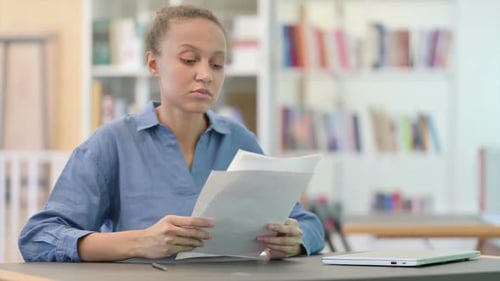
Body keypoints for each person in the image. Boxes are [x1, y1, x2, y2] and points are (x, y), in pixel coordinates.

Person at [18, 4, 325, 262]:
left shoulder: (239, 140)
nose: (205, 74)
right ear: (153, 63)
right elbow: (38, 237)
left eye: (217, 64)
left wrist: (293, 240)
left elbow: (308, 224)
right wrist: (140, 243)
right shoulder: (112, 143)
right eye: (189, 60)